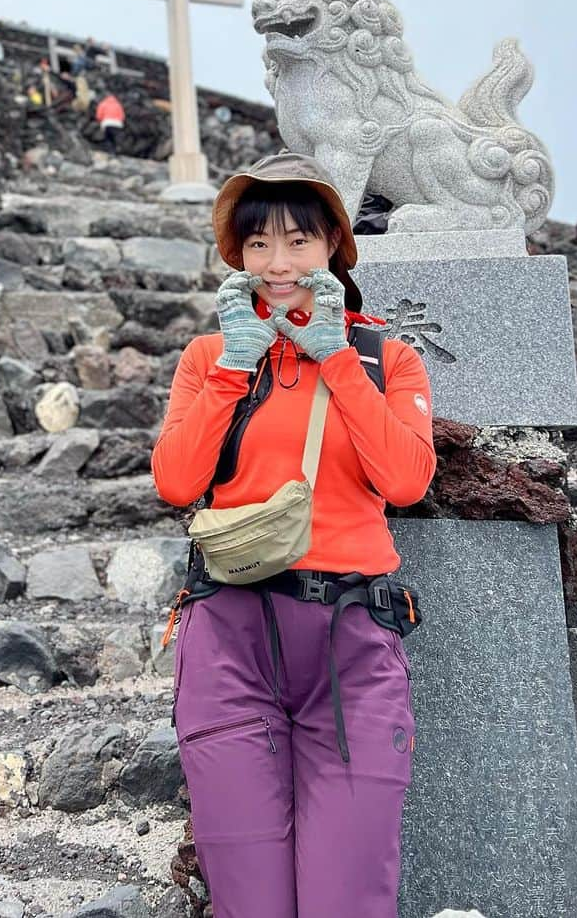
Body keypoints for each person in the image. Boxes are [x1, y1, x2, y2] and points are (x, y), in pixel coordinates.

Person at [151, 151, 435, 918]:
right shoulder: (209, 359)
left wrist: (336, 358)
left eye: (299, 241)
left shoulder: (386, 360)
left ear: (333, 248)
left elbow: (406, 481)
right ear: (237, 258)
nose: (279, 264)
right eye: (258, 245)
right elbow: (176, 481)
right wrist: (233, 369)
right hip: (229, 637)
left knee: (348, 893)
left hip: (352, 645)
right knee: (251, 898)